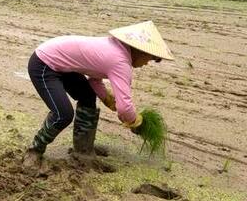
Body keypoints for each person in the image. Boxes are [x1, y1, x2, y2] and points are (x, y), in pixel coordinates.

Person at [22, 21, 174, 173]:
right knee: (63, 114)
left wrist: (106, 98)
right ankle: (34, 151)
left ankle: (83, 151)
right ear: (140, 50)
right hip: (44, 64)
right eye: (150, 58)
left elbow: (94, 78)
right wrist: (136, 122)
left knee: (88, 97)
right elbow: (125, 108)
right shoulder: (120, 62)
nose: (147, 63)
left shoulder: (116, 48)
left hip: (62, 64)